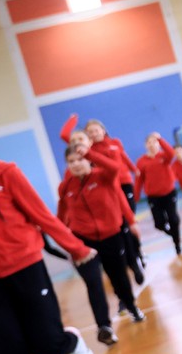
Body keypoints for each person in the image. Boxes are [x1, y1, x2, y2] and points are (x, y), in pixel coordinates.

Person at [0, 157, 98, 354]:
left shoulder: (5, 173)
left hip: (25, 268)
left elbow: (41, 215)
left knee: (47, 344)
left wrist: (76, 248)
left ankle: (71, 341)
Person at [59, 143, 146, 324]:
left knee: (118, 277)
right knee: (93, 281)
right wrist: (63, 235)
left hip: (111, 237)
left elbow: (114, 167)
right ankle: (103, 326)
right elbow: (61, 214)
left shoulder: (104, 176)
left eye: (80, 159)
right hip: (83, 241)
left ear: (88, 160)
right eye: (71, 161)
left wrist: (90, 153)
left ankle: (131, 306)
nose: (76, 164)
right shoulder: (66, 187)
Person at [61, 116, 145, 286]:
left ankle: (135, 263)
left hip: (113, 211)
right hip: (93, 224)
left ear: (89, 142)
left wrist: (130, 219)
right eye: (74, 141)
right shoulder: (72, 172)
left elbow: (118, 192)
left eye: (81, 139)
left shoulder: (100, 162)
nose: (77, 143)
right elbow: (66, 202)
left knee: (126, 236)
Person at [135, 133, 182, 255]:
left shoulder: (164, 156)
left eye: (154, 142)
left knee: (173, 219)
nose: (151, 144)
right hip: (153, 197)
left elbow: (171, 153)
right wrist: (136, 196)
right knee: (159, 223)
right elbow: (139, 180)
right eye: (149, 142)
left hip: (169, 193)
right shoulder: (141, 161)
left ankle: (177, 244)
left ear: (158, 144)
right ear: (145, 145)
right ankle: (173, 234)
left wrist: (160, 139)